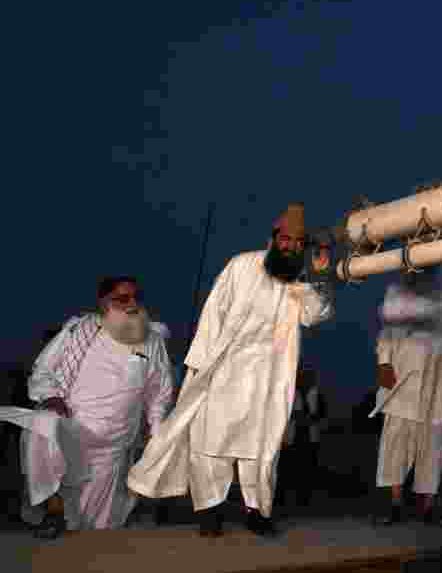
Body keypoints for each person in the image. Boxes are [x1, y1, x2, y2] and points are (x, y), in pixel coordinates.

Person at [127, 204, 335, 538]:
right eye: (285, 239)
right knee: (212, 442)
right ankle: (210, 511)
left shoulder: (301, 279)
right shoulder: (241, 265)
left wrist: (322, 275)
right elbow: (212, 315)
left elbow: (315, 314)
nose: (290, 246)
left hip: (270, 377)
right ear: (273, 237)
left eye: (298, 242)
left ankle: (258, 512)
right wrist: (198, 368)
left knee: (261, 448)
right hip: (225, 371)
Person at [0, 278, 174, 538]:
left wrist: (156, 430)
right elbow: (43, 371)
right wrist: (50, 396)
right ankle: (53, 508)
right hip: (72, 430)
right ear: (104, 303)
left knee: (93, 528)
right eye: (122, 299)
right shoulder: (78, 332)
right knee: (43, 425)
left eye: (135, 298)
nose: (132, 305)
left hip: (113, 445)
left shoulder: (151, 340)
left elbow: (158, 391)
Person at [373, 263, 442, 525]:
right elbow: (386, 334)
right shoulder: (397, 293)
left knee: (432, 451)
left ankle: (428, 509)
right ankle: (393, 505)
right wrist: (383, 362)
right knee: (394, 449)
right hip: (402, 383)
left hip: (437, 385)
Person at [280, 367, 328, 509]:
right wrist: (296, 416)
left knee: (307, 472)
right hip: (291, 438)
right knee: (287, 471)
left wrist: (309, 417)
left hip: (310, 438)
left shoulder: (316, 394)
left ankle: (304, 500)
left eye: (306, 376)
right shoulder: (289, 393)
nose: (303, 379)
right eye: (301, 376)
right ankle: (282, 500)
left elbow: (322, 413)